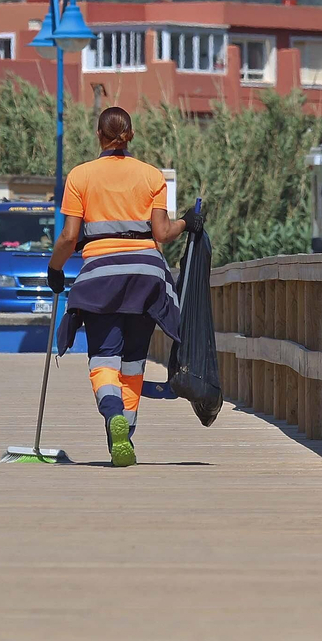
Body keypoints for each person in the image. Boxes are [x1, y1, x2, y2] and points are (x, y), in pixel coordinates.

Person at [48, 107, 203, 467]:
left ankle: (112, 414)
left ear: (99, 135)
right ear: (130, 135)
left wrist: (55, 269)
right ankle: (126, 439)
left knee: (104, 359)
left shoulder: (80, 176)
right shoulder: (151, 176)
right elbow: (163, 233)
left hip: (101, 277)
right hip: (147, 278)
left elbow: (70, 237)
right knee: (134, 361)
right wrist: (187, 221)